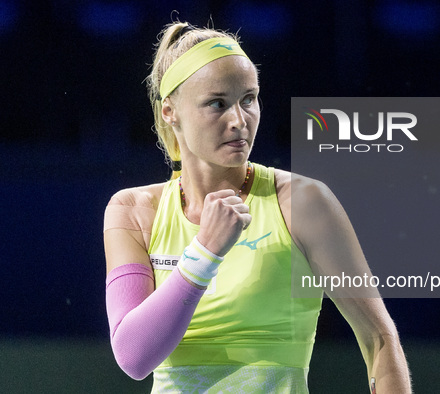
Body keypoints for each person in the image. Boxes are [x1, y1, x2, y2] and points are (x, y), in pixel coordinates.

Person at [103, 21, 411, 393]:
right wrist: (205, 252)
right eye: (217, 103)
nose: (239, 120)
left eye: (248, 99)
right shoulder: (133, 211)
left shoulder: (303, 203)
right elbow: (134, 358)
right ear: (170, 111)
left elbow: (379, 339)